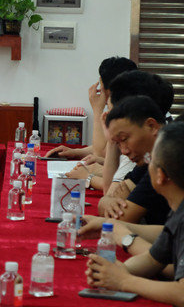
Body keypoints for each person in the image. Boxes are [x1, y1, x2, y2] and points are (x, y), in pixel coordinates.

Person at [85, 122, 184, 305]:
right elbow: (153, 259)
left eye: (150, 161)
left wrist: (125, 281)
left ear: (160, 175)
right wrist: (114, 270)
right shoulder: (178, 210)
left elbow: (181, 293)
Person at [45, 56, 137, 160]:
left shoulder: (130, 113)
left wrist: (97, 109)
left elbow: (101, 153)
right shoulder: (126, 107)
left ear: (109, 89)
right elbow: (106, 146)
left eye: (101, 85)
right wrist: (75, 152)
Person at [97, 96, 171, 225]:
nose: (124, 151)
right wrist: (105, 201)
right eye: (118, 143)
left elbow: (120, 217)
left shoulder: (168, 159)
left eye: (124, 139)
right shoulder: (147, 160)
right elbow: (112, 194)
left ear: (152, 126)